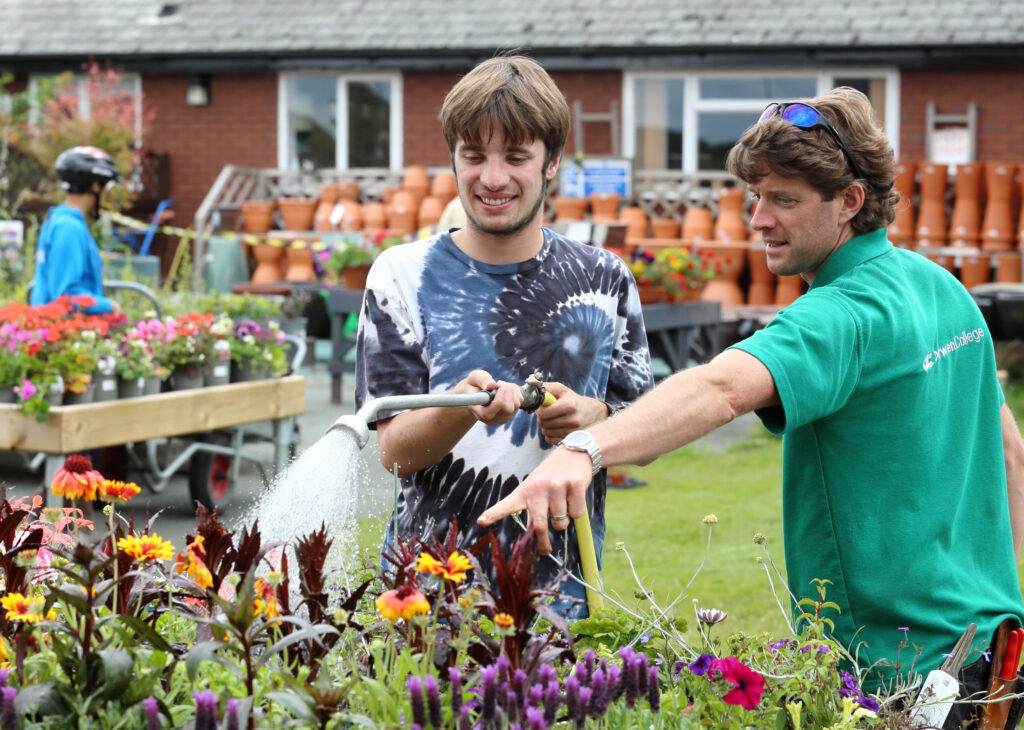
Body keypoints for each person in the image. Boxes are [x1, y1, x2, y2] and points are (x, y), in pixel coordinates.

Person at [480, 87, 1024, 709]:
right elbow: (1010, 451)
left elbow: (721, 386)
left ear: (849, 201)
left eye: (784, 200)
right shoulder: (942, 288)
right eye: (756, 196)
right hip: (991, 652)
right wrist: (990, 591)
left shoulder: (840, 315)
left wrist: (583, 448)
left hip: (897, 681)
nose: (759, 218)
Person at [355, 54, 654, 619]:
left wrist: (594, 416)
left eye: (516, 157)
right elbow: (394, 454)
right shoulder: (399, 275)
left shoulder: (605, 278)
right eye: (473, 156)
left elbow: (647, 430)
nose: (492, 178)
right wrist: (462, 408)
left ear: (551, 163)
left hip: (562, 597)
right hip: (425, 596)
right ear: (453, 159)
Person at [30, 145, 122, 316]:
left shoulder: (57, 219)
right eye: (106, 189)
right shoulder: (68, 228)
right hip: (67, 332)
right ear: (95, 186)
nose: (107, 196)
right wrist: (109, 305)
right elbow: (65, 296)